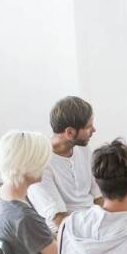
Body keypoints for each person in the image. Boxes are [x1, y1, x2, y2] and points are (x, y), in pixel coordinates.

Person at [28, 96, 102, 232]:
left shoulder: (83, 148)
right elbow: (58, 219)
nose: (94, 130)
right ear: (70, 132)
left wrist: (111, 220)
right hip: (66, 231)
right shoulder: (40, 163)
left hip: (93, 221)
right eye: (88, 126)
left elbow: (98, 195)